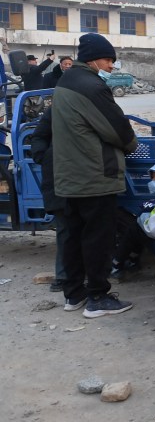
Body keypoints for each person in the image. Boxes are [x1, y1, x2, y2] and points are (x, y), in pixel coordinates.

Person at [52, 33, 138, 317]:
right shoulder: (92, 86)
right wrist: (131, 144)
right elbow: (118, 129)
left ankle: (73, 294)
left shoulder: (66, 81)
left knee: (73, 237)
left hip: (69, 176)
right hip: (95, 176)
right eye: (107, 59)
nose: (112, 66)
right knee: (98, 240)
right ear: (92, 60)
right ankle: (98, 297)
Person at [29, 106, 69, 292]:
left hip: (87, 176)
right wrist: (43, 157)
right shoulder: (56, 110)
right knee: (65, 229)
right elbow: (39, 136)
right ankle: (63, 276)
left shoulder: (93, 104)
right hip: (58, 177)